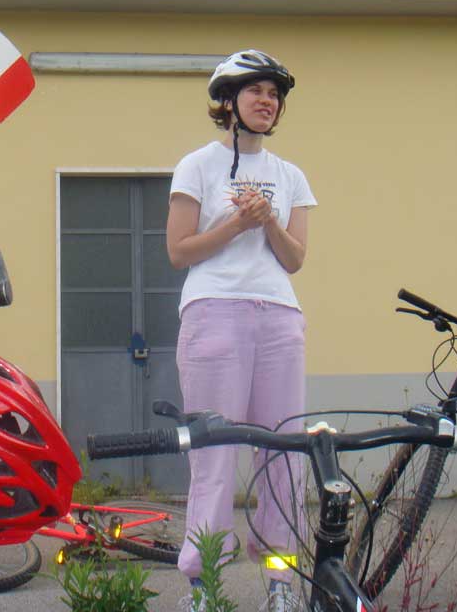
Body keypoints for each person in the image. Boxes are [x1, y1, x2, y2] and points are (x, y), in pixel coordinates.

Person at [166, 49, 316, 612]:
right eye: (255, 91)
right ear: (227, 101)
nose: (266, 101)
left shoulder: (290, 175)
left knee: (283, 453)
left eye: (274, 94)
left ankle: (280, 584)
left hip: (279, 315)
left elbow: (295, 259)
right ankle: (202, 585)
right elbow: (179, 251)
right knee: (214, 454)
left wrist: (269, 219)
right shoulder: (196, 166)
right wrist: (235, 222)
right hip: (214, 313)